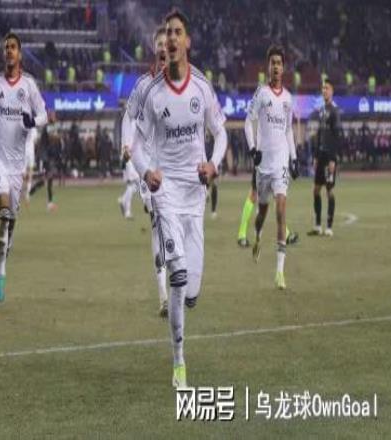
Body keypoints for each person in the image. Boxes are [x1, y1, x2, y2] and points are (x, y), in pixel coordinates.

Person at [131, 10, 227, 388]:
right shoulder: (153, 93)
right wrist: (146, 172)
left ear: (187, 42)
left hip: (195, 195)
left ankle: (183, 302)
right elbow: (137, 146)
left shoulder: (201, 86)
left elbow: (220, 133)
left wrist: (214, 164)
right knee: (179, 275)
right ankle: (179, 362)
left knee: (191, 292)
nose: (171, 38)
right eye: (167, 33)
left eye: (177, 32)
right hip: (166, 193)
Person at [0, 32, 47, 303]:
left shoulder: (29, 85)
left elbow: (44, 114)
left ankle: (0, 260)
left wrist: (33, 121)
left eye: (13, 47)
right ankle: (2, 273)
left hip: (18, 166)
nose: (8, 51)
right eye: (5, 47)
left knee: (11, 225)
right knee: (5, 214)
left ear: (19, 54)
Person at [121, 24, 169, 317]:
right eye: (160, 43)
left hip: (173, 165)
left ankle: (176, 278)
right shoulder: (142, 85)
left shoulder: (182, 85)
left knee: (173, 224)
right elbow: (128, 117)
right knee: (157, 220)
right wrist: (127, 145)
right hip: (147, 163)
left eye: (168, 42)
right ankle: (163, 294)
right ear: (155, 48)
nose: (164, 47)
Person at [245, 44, 299, 290]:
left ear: (283, 68)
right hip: (263, 165)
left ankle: (279, 272)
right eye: (272, 63)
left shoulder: (288, 98)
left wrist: (294, 158)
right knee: (262, 214)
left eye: (279, 63)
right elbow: (248, 122)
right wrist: (252, 149)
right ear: (267, 67)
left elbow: (288, 130)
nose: (276, 67)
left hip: (281, 163)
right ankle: (257, 236)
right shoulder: (261, 93)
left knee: (281, 210)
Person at [307, 79, 341, 237]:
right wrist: (315, 156)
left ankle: (329, 226)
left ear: (332, 91)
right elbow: (320, 134)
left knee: (329, 190)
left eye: (327, 88)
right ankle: (317, 226)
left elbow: (336, 136)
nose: (324, 91)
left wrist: (333, 159)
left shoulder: (334, 111)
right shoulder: (321, 111)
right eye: (323, 88)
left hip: (329, 158)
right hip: (320, 156)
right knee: (316, 190)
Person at [236, 170, 299, 247]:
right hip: (262, 167)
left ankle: (285, 234)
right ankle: (241, 235)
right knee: (253, 194)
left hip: (276, 167)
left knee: (278, 196)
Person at [29, 111, 61, 211]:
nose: (54, 117)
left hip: (47, 156)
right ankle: (48, 202)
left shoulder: (51, 127)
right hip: (44, 156)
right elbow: (53, 137)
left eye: (54, 115)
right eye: (52, 116)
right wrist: (59, 136)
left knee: (46, 179)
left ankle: (31, 193)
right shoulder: (48, 127)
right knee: (48, 178)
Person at [22, 126, 38, 206]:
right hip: (30, 151)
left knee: (24, 172)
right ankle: (27, 192)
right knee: (30, 171)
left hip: (24, 151)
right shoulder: (33, 128)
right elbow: (35, 141)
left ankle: (25, 190)